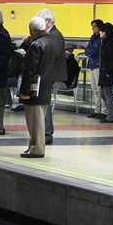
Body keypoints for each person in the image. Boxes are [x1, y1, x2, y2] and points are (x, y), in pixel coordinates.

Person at [18, 16, 55, 158]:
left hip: (34, 88)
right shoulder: (50, 42)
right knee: (39, 119)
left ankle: (37, 149)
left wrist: (24, 90)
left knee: (34, 121)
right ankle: (33, 146)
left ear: (31, 29)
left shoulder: (36, 45)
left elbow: (29, 70)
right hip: (45, 85)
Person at [36, 9, 68, 146]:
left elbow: (54, 54)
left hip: (52, 74)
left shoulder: (56, 35)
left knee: (46, 103)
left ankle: (47, 132)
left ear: (48, 21)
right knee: (44, 102)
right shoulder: (49, 35)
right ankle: (44, 131)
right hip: (47, 73)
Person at [96, 22, 113, 123]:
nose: (100, 33)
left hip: (108, 72)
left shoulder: (112, 43)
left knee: (108, 94)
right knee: (102, 93)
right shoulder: (105, 42)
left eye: (101, 31)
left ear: (105, 32)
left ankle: (111, 116)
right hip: (104, 70)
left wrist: (109, 71)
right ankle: (109, 114)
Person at [84, 19, 105, 118]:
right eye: (92, 26)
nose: (93, 28)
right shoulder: (93, 37)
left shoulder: (101, 38)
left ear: (100, 27)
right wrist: (91, 51)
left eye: (95, 26)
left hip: (98, 65)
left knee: (100, 89)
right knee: (94, 90)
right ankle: (97, 109)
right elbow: (87, 51)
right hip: (91, 64)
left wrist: (91, 51)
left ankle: (104, 111)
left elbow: (96, 50)